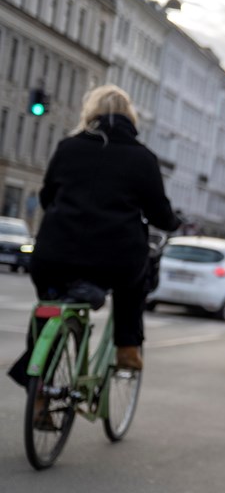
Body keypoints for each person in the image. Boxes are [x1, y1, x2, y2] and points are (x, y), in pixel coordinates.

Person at [8, 85, 181, 389]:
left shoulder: (67, 147)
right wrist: (173, 222)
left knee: (49, 303)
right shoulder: (143, 158)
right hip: (113, 261)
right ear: (131, 117)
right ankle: (127, 346)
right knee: (135, 280)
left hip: (54, 255)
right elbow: (159, 214)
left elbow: (48, 197)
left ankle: (38, 389)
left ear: (91, 113)